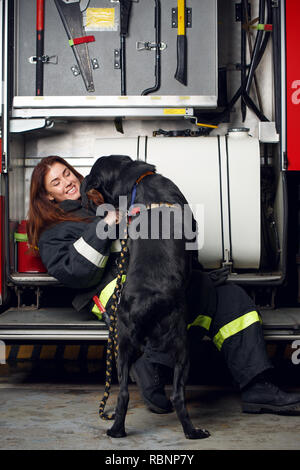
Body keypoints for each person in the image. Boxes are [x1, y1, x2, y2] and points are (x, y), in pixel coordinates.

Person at [27, 155, 300, 416]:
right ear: (49, 195)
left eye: (67, 173)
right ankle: (151, 363)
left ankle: (257, 386)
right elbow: (76, 272)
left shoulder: (104, 201)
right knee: (195, 290)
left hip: (154, 279)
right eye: (56, 182)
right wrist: (107, 224)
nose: (67, 181)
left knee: (231, 298)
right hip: (118, 296)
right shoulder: (54, 231)